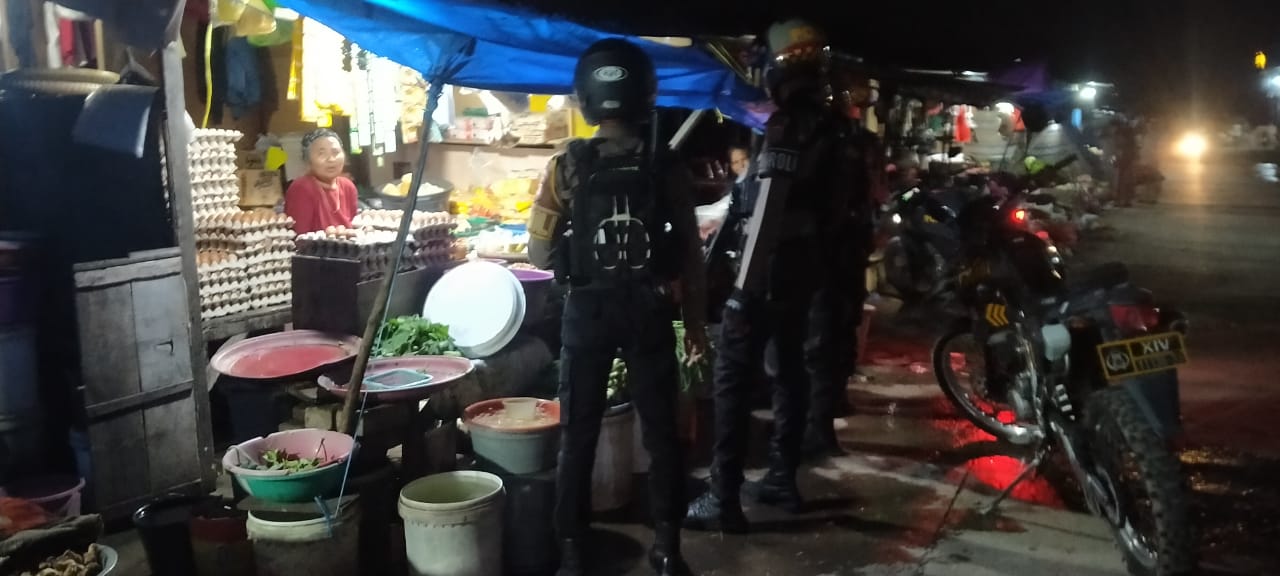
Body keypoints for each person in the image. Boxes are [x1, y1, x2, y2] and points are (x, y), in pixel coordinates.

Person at [527, 38, 708, 576]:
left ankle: (572, 552)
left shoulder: (566, 165)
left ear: (585, 96)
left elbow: (538, 253)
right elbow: (691, 253)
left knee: (578, 433)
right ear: (645, 94)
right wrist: (695, 325)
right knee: (660, 431)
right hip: (649, 310)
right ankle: (668, 547)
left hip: (587, 312)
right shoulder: (664, 163)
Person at [686, 19, 868, 531]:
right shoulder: (837, 131)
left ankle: (723, 496)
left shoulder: (788, 128)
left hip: (768, 275)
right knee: (788, 369)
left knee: (732, 376)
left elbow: (769, 211)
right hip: (805, 275)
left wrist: (742, 292)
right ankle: (782, 479)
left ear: (776, 70)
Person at [284, 128, 358, 234]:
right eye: (321, 154)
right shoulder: (301, 188)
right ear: (308, 161)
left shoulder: (348, 186)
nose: (331, 159)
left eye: (335, 152)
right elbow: (299, 236)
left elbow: (355, 227)